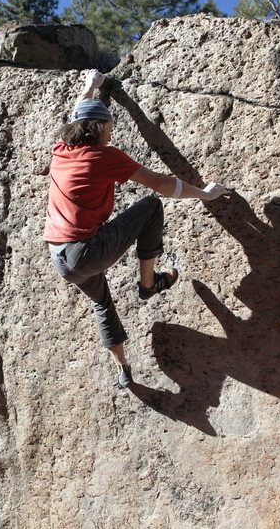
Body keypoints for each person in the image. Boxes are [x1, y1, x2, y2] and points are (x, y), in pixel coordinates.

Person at [44, 69, 228, 389]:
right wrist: (204, 194)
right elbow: (160, 184)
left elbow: (77, 115)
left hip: (60, 257)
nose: (111, 134)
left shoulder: (62, 150)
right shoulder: (104, 157)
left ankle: (123, 370)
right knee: (151, 207)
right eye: (109, 128)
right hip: (85, 250)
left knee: (102, 303)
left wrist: (90, 87)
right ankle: (148, 283)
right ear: (100, 129)